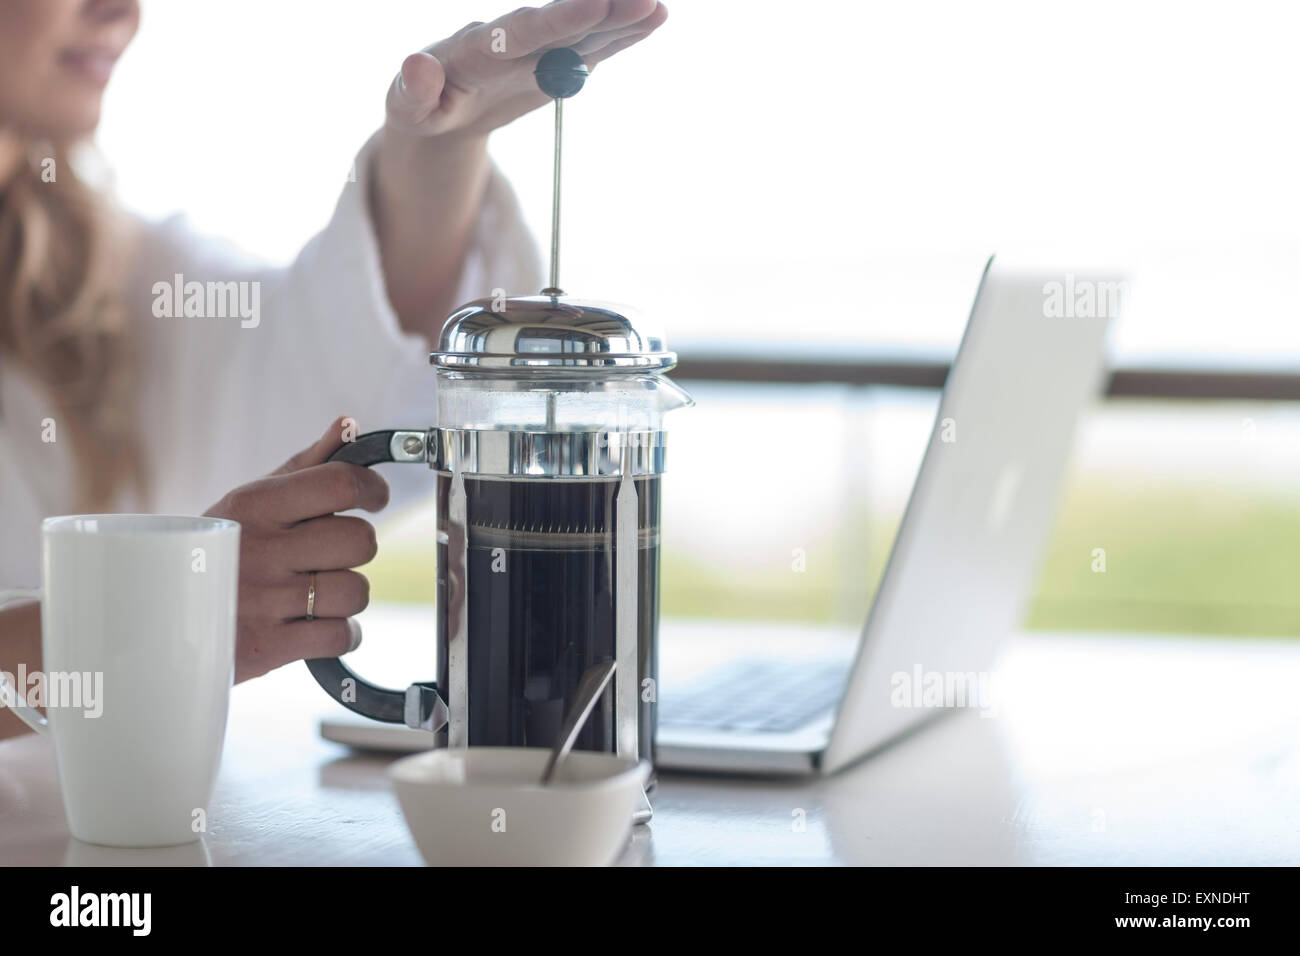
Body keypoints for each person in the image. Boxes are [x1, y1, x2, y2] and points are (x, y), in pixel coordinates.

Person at [0, 0, 667, 738]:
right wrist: (148, 617)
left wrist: (436, 151)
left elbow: (329, 364)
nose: (120, 10)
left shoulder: (95, 273)